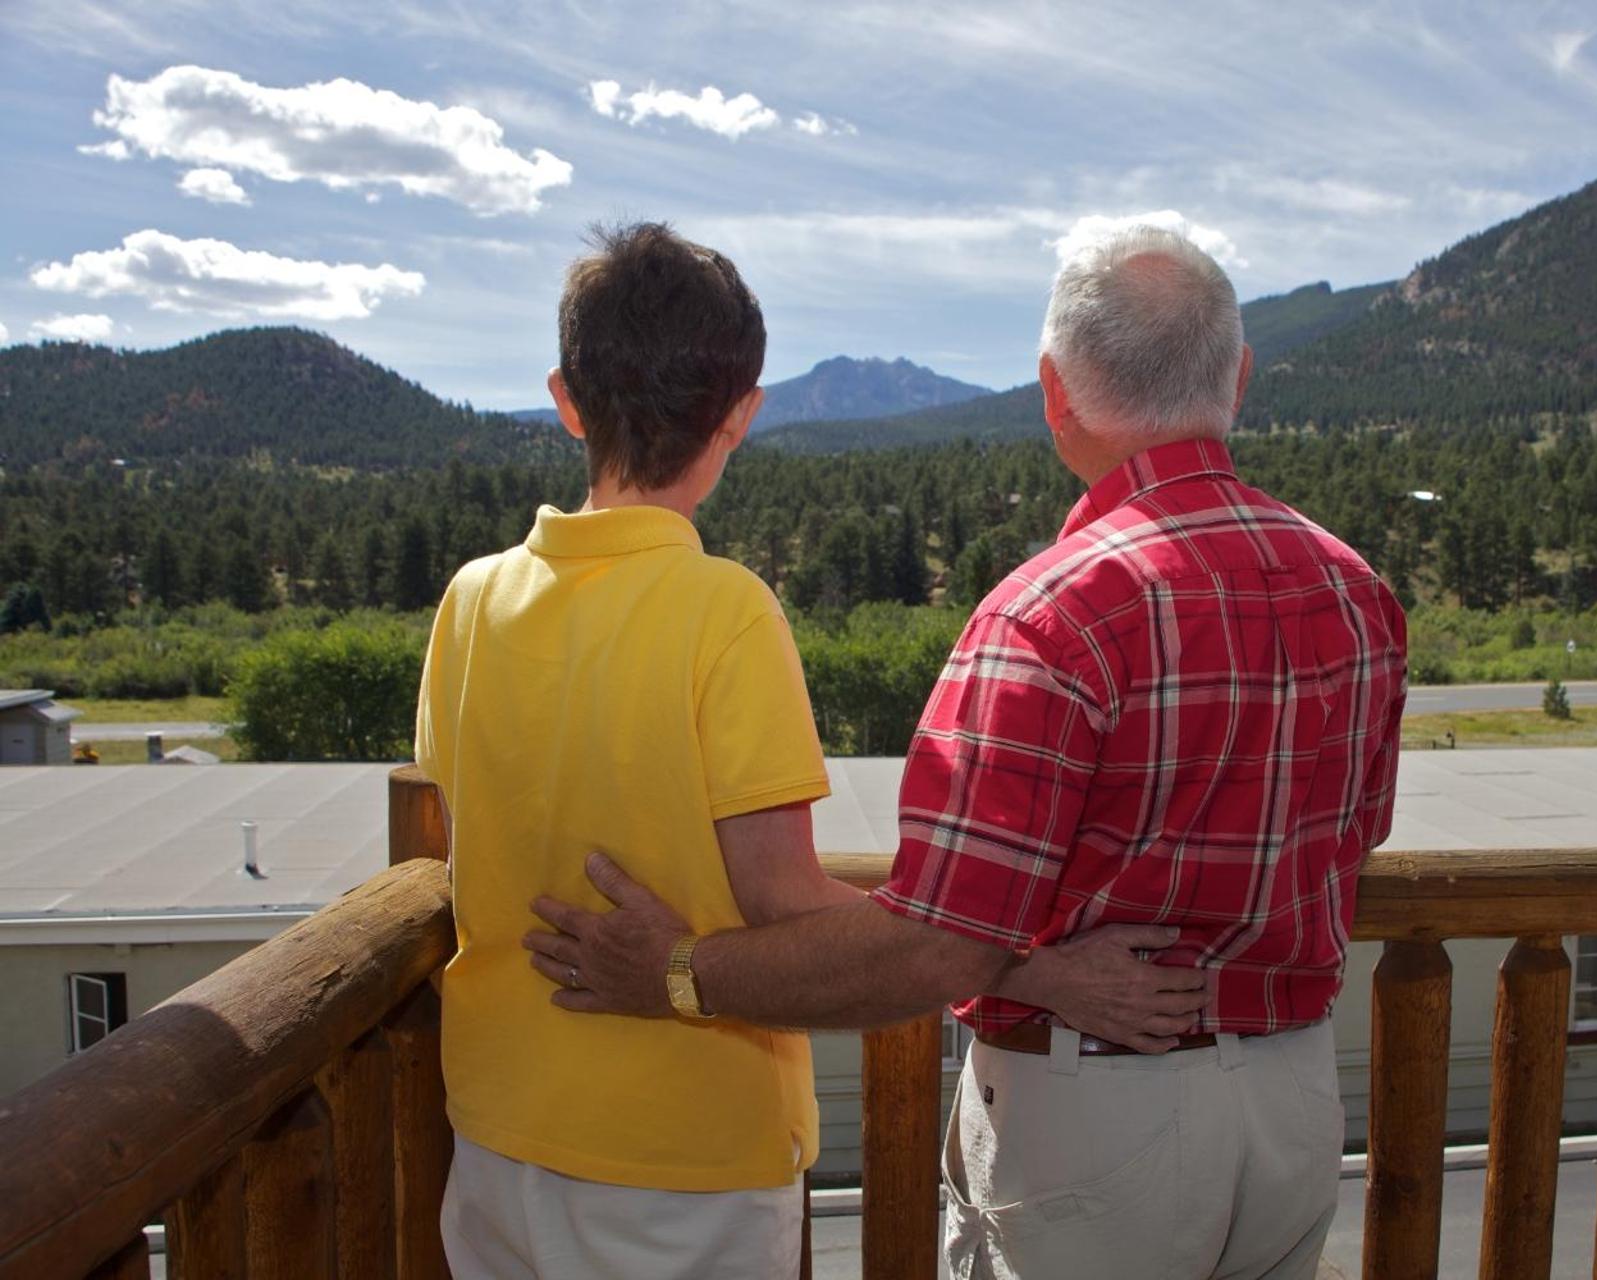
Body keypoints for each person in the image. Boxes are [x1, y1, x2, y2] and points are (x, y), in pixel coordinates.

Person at [525, 222, 1408, 1279]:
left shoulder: (1053, 615)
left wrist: (675, 969)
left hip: (1098, 1124)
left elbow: (937, 942)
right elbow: (1351, 844)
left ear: (1053, 392)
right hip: (1296, 1102)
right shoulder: (1356, 590)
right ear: (1240, 378)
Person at [416, 221, 1197, 1280]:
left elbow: (472, 841)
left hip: (498, 1135)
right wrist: (1036, 967)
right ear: (743, 414)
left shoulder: (472, 598)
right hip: (680, 1151)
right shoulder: (723, 610)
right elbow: (780, 894)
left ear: (565, 397)